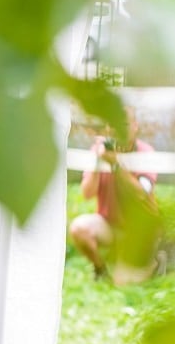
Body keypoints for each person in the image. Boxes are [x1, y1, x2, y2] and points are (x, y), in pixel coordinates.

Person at [69, 107, 162, 286]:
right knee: (79, 228)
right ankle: (101, 270)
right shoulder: (101, 150)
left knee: (125, 283)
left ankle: (156, 260)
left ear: (135, 126)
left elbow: (141, 194)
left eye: (124, 124)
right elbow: (87, 194)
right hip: (110, 224)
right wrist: (97, 162)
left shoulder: (146, 153)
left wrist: (116, 165)